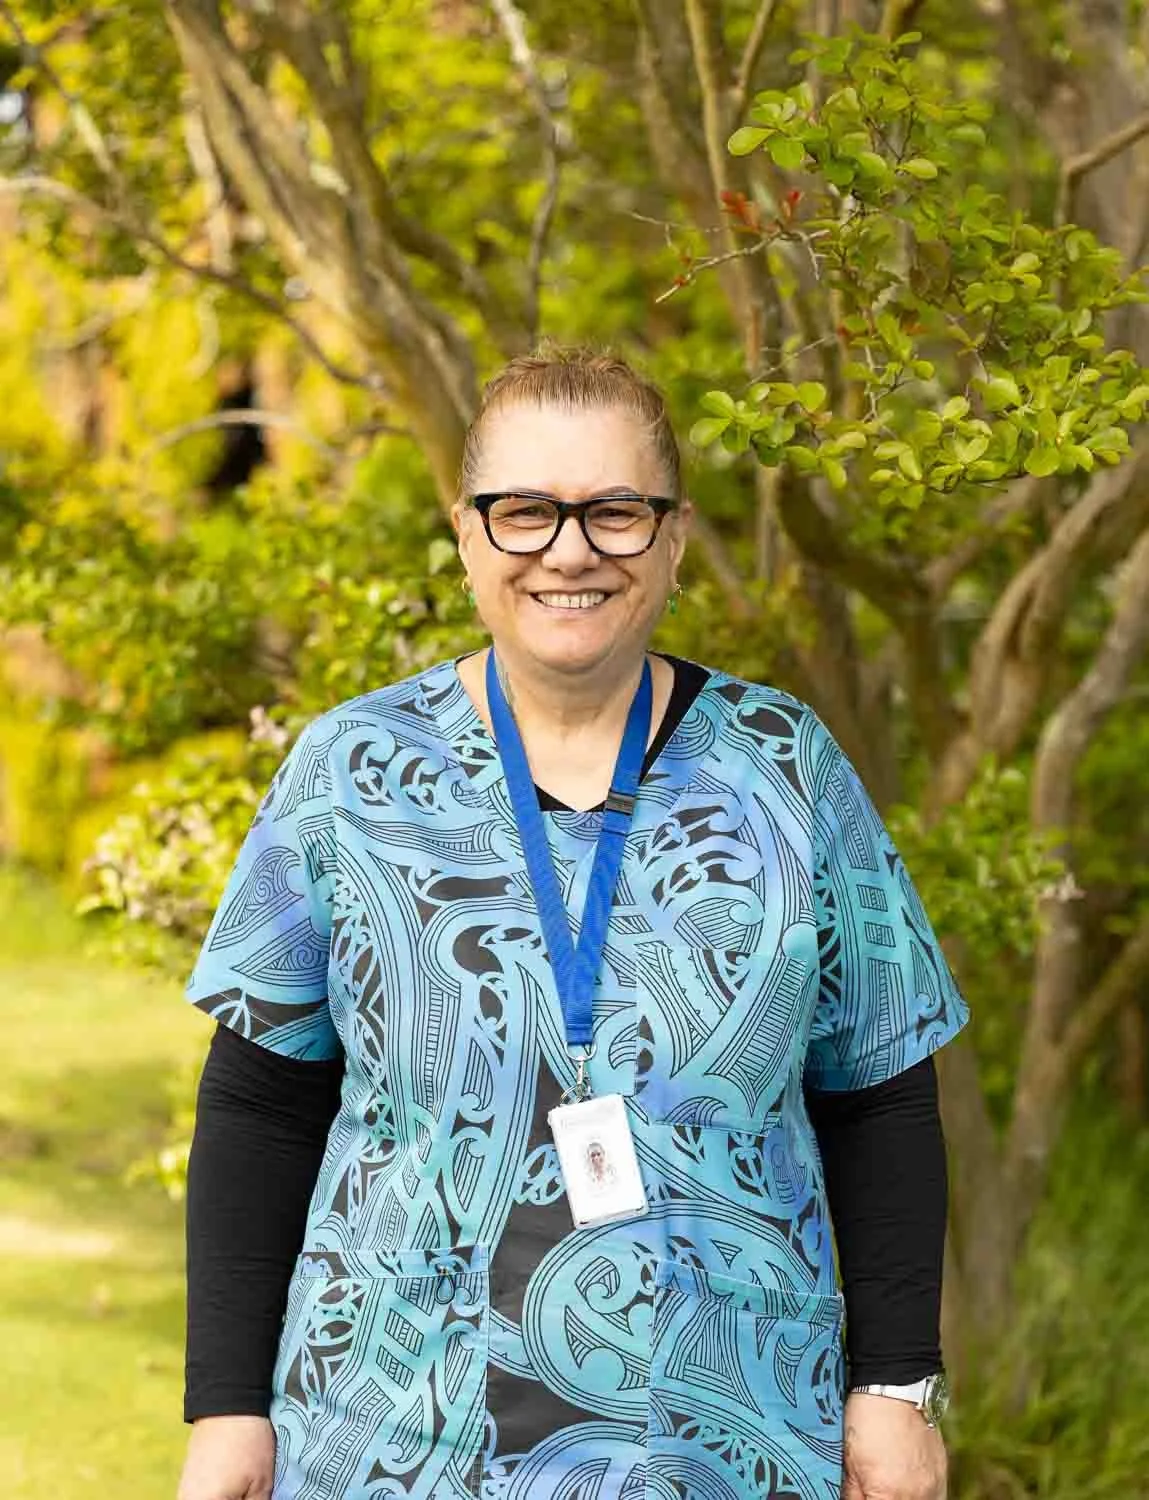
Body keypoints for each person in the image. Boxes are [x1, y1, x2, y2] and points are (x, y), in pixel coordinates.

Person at [177, 347, 968, 1500]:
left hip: (729, 1440)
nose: (571, 549)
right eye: (526, 512)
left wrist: (895, 1390)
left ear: (675, 536)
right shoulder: (351, 775)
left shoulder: (786, 770)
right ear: (465, 535)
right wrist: (227, 1411)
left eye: (615, 511)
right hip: (393, 1440)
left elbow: (882, 1090)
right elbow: (259, 1102)